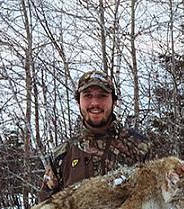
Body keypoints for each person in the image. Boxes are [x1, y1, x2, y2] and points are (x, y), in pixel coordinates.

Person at [39, 70, 150, 201]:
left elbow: (159, 200)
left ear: (114, 101)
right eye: (88, 96)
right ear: (78, 101)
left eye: (102, 96)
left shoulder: (139, 146)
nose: (95, 103)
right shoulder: (62, 154)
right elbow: (45, 208)